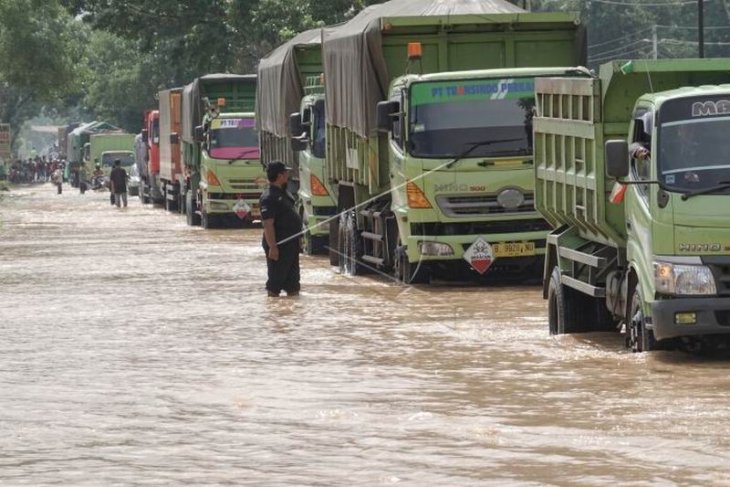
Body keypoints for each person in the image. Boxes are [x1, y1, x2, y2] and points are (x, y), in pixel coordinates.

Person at [259, 161, 302, 297]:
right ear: (280, 176)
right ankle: (273, 311)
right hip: (279, 245)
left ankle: (291, 314)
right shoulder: (268, 197)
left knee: (293, 284)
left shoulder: (284, 193)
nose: (288, 175)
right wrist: (273, 247)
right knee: (275, 283)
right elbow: (268, 224)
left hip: (291, 244)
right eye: (286, 172)